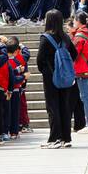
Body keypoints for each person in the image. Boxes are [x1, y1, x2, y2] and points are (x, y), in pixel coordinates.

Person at [37, 10, 77, 148]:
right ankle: (66, 138)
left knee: (52, 107)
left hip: (51, 77)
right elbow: (74, 54)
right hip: (66, 77)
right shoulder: (66, 37)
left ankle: (55, 139)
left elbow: (40, 59)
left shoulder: (45, 37)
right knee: (64, 106)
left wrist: (47, 71)